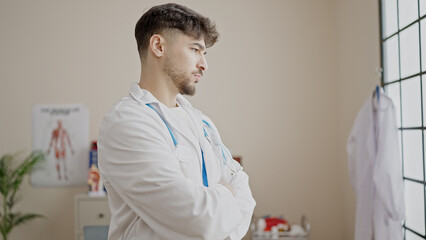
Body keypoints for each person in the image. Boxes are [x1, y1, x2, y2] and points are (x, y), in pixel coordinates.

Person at [98, 3, 256, 239]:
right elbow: (199, 221)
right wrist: (225, 194)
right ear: (158, 46)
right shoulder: (126, 124)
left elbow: (246, 197)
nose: (204, 64)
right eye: (195, 49)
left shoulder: (202, 123)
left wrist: (216, 209)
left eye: (204, 53)